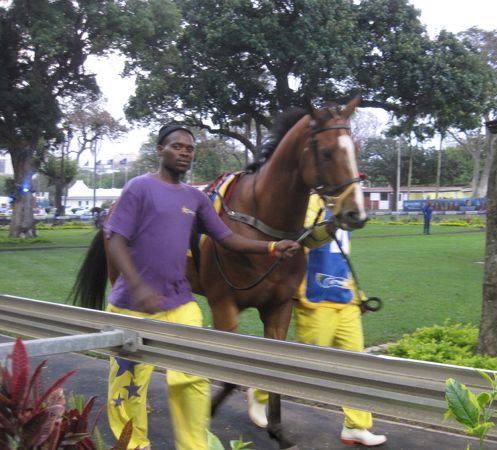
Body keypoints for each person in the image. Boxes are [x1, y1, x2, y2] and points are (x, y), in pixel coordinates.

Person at [103, 123, 300, 450]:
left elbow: (227, 237)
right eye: (176, 146)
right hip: (132, 306)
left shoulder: (194, 198)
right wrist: (137, 286)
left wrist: (270, 247)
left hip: (181, 304)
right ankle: (134, 445)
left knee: (193, 379)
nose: (183, 152)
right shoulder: (139, 187)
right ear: (160, 150)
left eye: (189, 148)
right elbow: (115, 239)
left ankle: (193, 445)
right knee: (128, 388)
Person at [247, 194, 387, 447]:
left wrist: (359, 294)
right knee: (302, 367)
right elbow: (302, 240)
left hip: (346, 298)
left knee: (356, 365)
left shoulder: (346, 202)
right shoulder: (310, 201)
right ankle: (260, 390)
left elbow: (342, 255)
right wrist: (332, 219)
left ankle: (355, 426)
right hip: (315, 298)